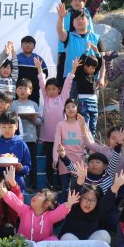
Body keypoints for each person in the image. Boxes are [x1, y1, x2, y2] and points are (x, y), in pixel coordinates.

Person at [0, 176, 79, 242]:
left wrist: (68, 204)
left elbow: (60, 212)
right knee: (18, 238)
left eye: (40, 195)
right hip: (25, 244)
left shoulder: (50, 217)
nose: (35, 196)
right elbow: (14, 200)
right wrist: (3, 191)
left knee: (53, 240)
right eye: (36, 194)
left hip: (42, 246)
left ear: (47, 203)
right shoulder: (24, 210)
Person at [56, 0, 115, 83]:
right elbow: (60, 30)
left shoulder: (88, 12)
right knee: (62, 78)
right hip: (66, 49)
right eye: (74, 0)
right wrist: (61, 17)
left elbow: (98, 0)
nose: (77, 2)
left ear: (84, 3)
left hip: (88, 47)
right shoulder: (65, 13)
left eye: (80, 0)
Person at [60, 169, 124, 243]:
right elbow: (76, 192)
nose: (88, 202)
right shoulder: (73, 206)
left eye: (93, 200)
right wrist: (81, 177)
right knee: (66, 237)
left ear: (97, 202)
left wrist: (116, 185)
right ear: (80, 198)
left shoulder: (99, 210)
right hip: (73, 245)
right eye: (85, 198)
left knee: (104, 234)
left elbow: (107, 199)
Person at [37, 57, 73, 190]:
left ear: (59, 89)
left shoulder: (63, 97)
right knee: (48, 161)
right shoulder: (46, 98)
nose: (51, 91)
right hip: (47, 137)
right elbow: (42, 82)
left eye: (53, 89)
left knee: (59, 162)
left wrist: (73, 70)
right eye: (48, 89)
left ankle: (59, 183)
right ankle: (50, 183)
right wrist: (40, 69)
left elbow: (68, 83)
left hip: (61, 138)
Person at [0, 111, 31, 193]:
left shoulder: (21, 143)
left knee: (16, 204)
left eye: (10, 127)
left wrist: (21, 168)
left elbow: (27, 166)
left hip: (16, 181)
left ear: (16, 126)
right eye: (3, 127)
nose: (7, 130)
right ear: (0, 127)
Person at [12, 79, 41, 192]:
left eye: (25, 88)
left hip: (30, 138)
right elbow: (9, 120)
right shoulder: (13, 104)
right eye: (20, 88)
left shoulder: (34, 104)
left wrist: (32, 118)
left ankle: (33, 185)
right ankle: (18, 185)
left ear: (30, 91)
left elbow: (39, 122)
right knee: (17, 162)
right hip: (17, 139)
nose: (22, 90)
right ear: (16, 90)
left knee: (32, 162)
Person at [73, 53, 105, 137]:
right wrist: (86, 51)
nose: (94, 70)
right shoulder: (80, 74)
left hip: (94, 103)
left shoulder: (92, 75)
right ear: (85, 66)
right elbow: (80, 64)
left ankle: (92, 146)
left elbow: (99, 64)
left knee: (93, 126)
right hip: (84, 103)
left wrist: (97, 53)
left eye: (94, 68)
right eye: (92, 68)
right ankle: (85, 146)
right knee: (85, 125)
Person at [16, 35, 48, 105]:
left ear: (34, 46)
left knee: (33, 111)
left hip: (34, 91)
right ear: (21, 45)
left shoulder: (38, 59)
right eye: (25, 43)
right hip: (19, 91)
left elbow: (45, 74)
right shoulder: (16, 58)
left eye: (30, 43)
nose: (27, 45)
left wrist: (36, 84)